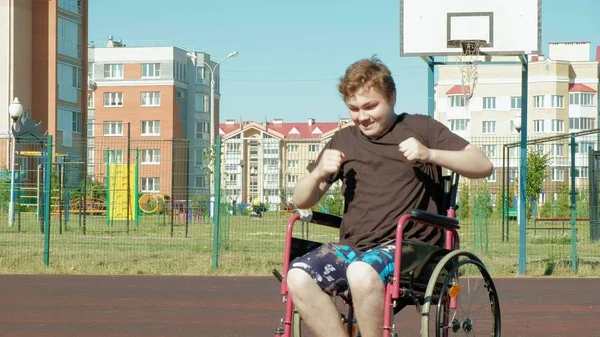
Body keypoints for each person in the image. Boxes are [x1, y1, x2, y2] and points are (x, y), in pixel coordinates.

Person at [285, 56, 493, 337]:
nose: (362, 116)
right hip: (354, 248)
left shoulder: (421, 128)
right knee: (298, 276)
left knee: (360, 272)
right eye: (354, 109)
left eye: (371, 106)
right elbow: (302, 200)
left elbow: (482, 165)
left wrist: (430, 154)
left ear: (392, 97)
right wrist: (317, 172)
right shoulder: (343, 140)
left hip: (411, 248)